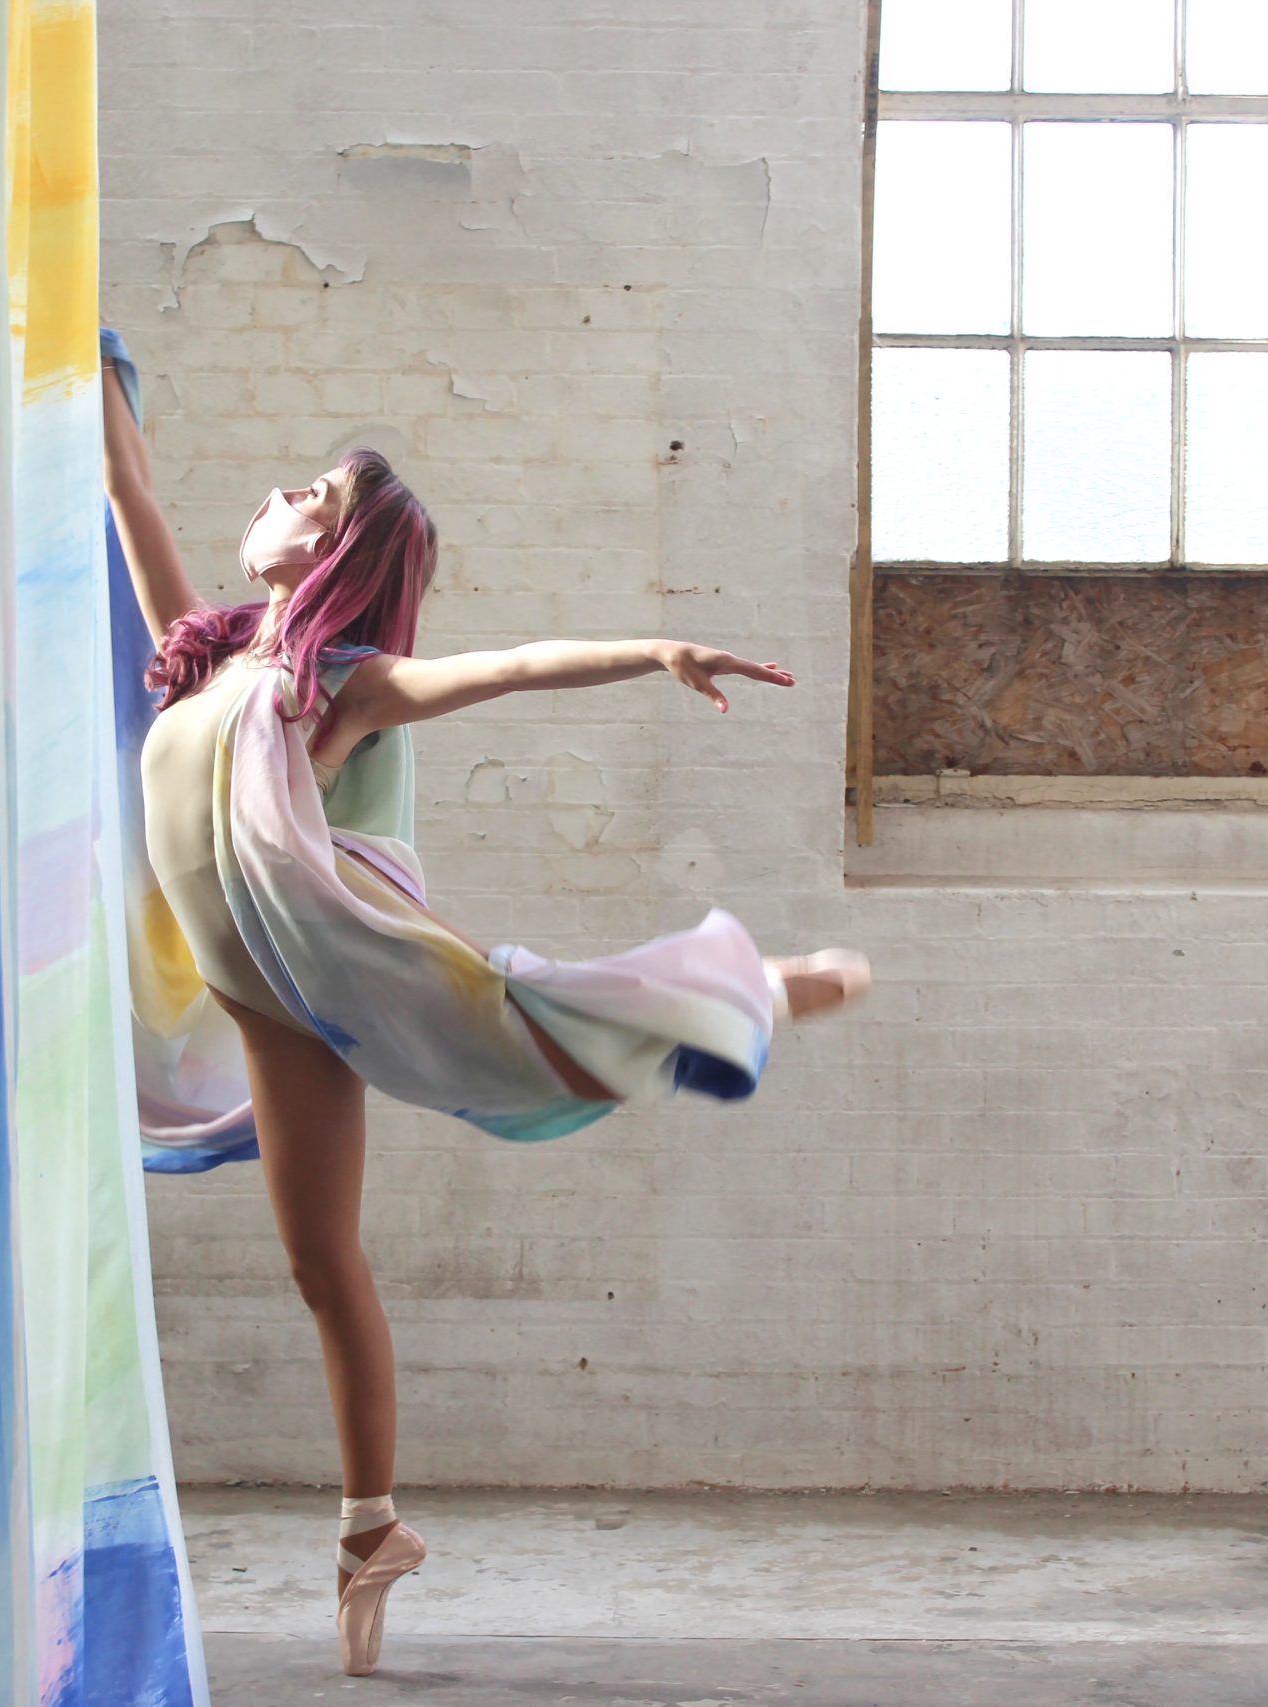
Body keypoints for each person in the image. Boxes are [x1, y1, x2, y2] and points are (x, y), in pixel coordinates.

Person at [99, 332, 868, 1677]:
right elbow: (133, 496)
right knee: (320, 1268)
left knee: (511, 1011)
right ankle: (370, 1534)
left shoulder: (335, 688)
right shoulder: (203, 660)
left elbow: (508, 665)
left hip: (337, 967)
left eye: (312, 498)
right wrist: (84, 363)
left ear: (328, 557)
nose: (278, 496)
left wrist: (656, 649)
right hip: (263, 997)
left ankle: (739, 986)